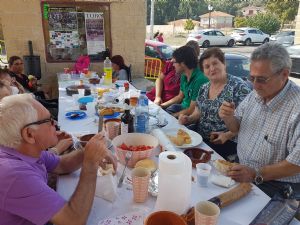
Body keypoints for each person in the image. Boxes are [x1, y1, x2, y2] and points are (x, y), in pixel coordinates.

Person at [0, 94, 117, 225]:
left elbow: (62, 165)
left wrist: (88, 151)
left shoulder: (24, 150)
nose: (55, 124)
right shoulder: (14, 175)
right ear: (29, 134)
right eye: (49, 121)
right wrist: (90, 165)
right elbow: (74, 220)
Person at [219, 42, 300, 197]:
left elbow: (297, 163)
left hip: (278, 186)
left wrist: (256, 173)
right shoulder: (256, 93)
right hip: (243, 170)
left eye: (262, 79)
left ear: (284, 74)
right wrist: (228, 117)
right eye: (252, 78)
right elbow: (236, 128)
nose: (255, 86)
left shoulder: (297, 107)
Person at [179, 48, 251, 159]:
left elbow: (249, 122)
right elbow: (198, 112)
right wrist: (188, 119)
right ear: (203, 71)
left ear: (224, 64)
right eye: (207, 66)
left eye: (215, 63)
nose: (212, 69)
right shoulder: (204, 87)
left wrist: (227, 135)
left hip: (225, 143)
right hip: (200, 138)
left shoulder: (239, 87)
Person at [146, 40, 200, 105]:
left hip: (169, 103)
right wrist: (158, 97)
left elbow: (181, 97)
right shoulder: (172, 64)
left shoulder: (192, 75)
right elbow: (159, 78)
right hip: (154, 97)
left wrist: (162, 106)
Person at [162, 45, 209, 118]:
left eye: (174, 62)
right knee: (165, 112)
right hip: (183, 107)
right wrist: (162, 105)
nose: (173, 65)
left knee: (166, 119)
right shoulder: (184, 75)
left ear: (183, 63)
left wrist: (172, 116)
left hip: (193, 116)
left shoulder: (200, 80)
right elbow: (179, 97)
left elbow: (192, 109)